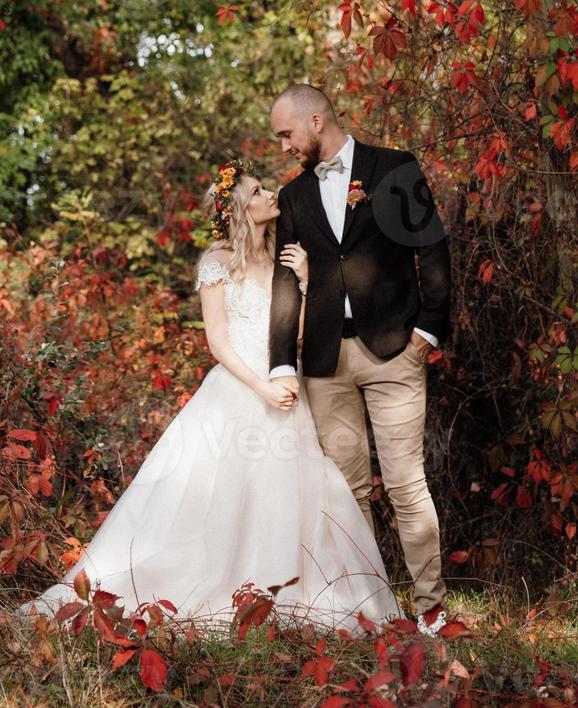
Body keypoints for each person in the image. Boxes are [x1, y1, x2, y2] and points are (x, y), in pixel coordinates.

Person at [16, 159, 400, 635]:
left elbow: (296, 334)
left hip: (285, 387)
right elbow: (218, 342)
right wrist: (261, 387)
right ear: (240, 207)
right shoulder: (216, 262)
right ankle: (215, 591)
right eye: (258, 191)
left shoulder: (283, 257)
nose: (268, 195)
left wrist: (305, 280)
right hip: (239, 391)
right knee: (217, 494)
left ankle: (283, 594)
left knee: (294, 492)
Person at [269, 84, 452, 637]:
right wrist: (282, 362)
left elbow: (432, 248)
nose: (282, 146)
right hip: (326, 361)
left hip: (395, 350)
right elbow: (285, 283)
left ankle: (431, 609)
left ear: (316, 120)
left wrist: (428, 330)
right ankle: (370, 609)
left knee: (405, 483)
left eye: (286, 133)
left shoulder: (394, 168)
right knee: (349, 492)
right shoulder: (294, 196)